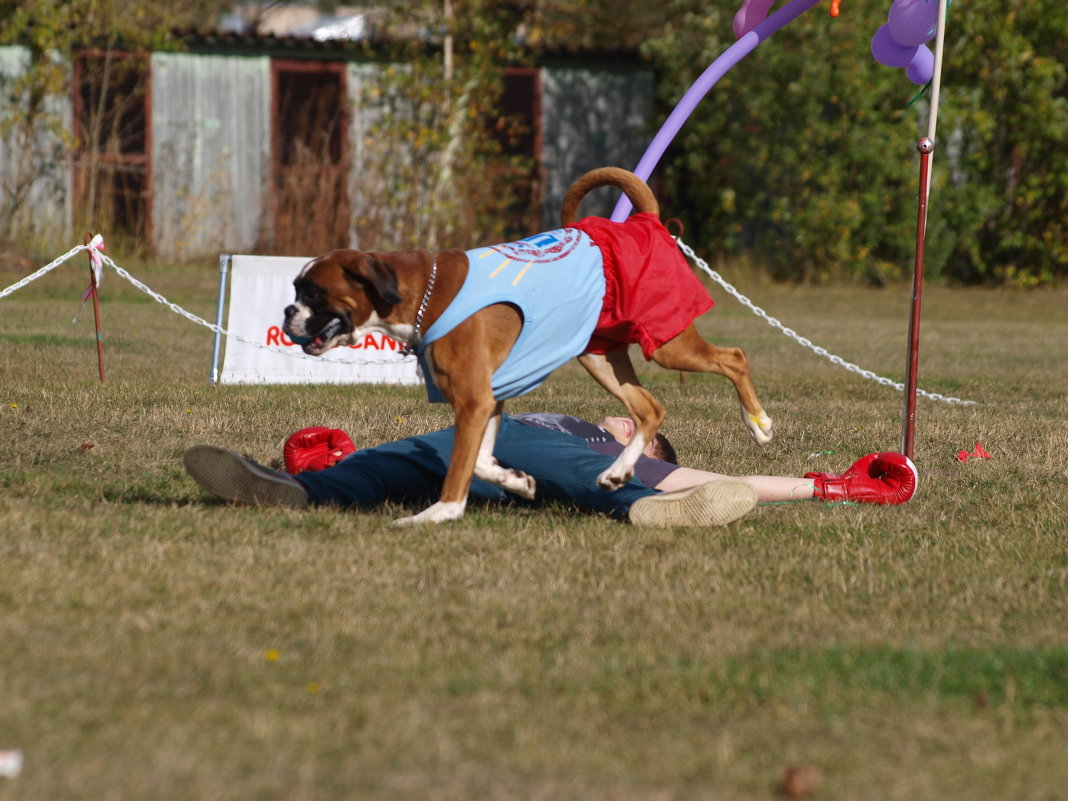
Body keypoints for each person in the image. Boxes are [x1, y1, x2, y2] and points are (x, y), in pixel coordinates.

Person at [183, 412, 917, 527]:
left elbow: (703, 474)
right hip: (458, 440)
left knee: (588, 479)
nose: (630, 423)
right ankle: (295, 488)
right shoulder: (577, 426)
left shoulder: (599, 444)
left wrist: (829, 485)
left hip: (513, 454)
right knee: (379, 467)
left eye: (642, 433)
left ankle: (640, 510)